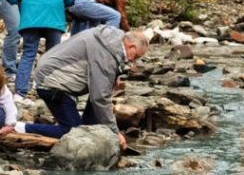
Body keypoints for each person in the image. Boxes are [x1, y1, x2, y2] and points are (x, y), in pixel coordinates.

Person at [15, 27, 149, 149]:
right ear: (131, 46)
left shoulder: (112, 39)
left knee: (102, 90)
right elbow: (100, 97)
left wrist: (114, 76)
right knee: (73, 133)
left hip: (52, 72)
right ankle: (20, 128)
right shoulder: (106, 53)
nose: (133, 61)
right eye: (136, 56)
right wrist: (115, 132)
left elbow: (102, 83)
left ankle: (89, 129)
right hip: (51, 83)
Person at [68, 0, 134, 36]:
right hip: (84, 1)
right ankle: (105, 43)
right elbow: (121, 15)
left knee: (87, 22)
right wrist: (127, 32)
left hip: (72, 1)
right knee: (115, 16)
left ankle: (72, 47)